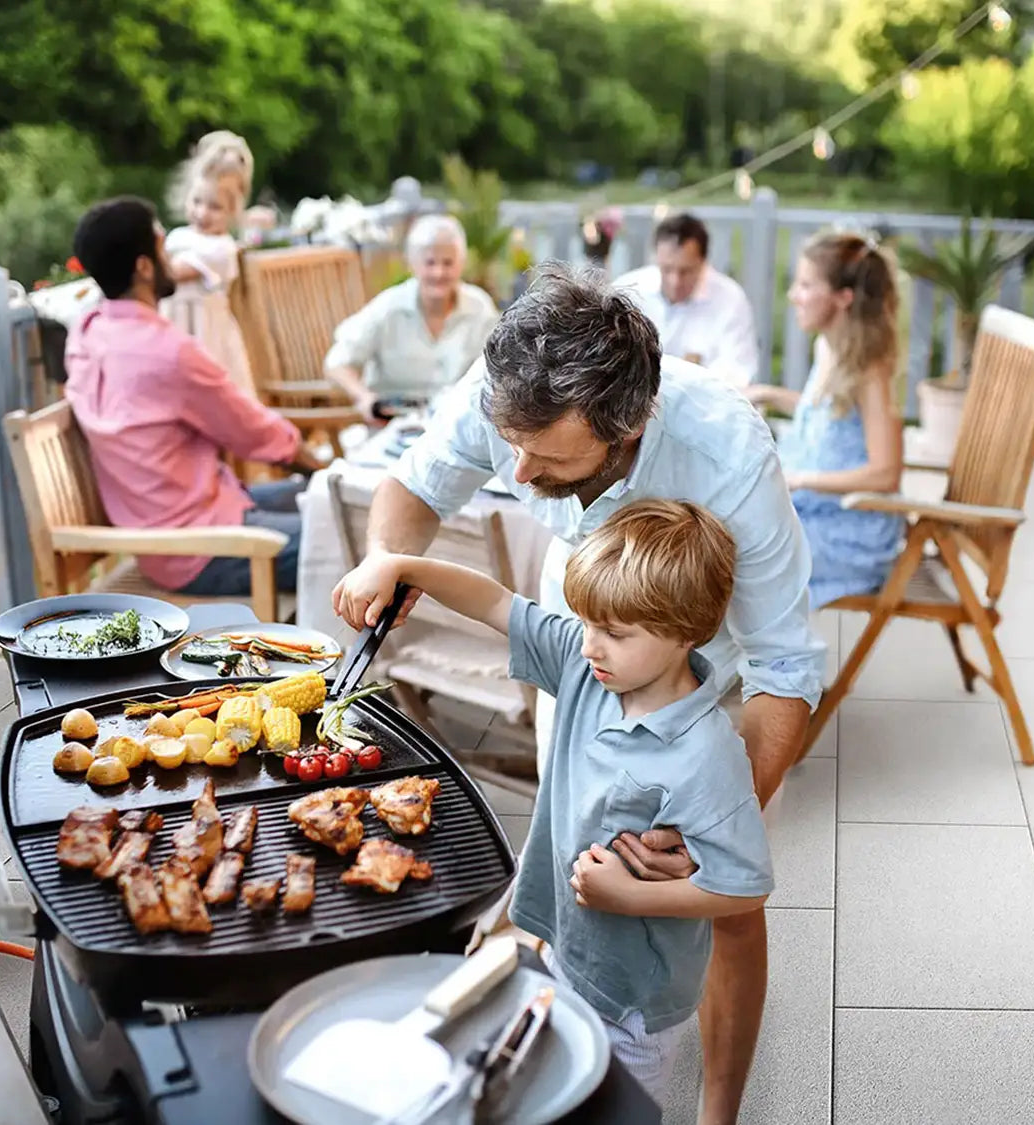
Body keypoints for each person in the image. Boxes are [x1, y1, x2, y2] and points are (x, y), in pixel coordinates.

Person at [333, 264, 825, 1125]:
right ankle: (564, 1024)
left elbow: (787, 671)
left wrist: (709, 823)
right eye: (507, 443)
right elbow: (411, 489)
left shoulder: (727, 454)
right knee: (572, 851)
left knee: (726, 914)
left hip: (703, 673)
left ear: (625, 427)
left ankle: (719, 1109)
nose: (516, 474)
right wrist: (387, 557)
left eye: (546, 455)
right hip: (586, 637)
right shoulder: (509, 389)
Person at [334, 500, 773, 1104]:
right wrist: (403, 565)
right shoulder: (586, 665)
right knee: (552, 1090)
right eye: (587, 623)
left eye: (615, 634)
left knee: (614, 1107)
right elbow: (494, 602)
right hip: (563, 944)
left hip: (635, 1000)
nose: (591, 645)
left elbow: (745, 887)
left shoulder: (706, 756)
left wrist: (632, 895)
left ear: (688, 633)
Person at [65, 197, 322, 597]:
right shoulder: (167, 351)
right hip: (202, 548)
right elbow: (254, 432)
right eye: (163, 247)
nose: (171, 258)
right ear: (144, 266)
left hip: (191, 521)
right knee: (353, 533)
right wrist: (321, 468)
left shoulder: (87, 332)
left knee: (325, 501)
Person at [745, 232, 905, 606]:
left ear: (843, 298)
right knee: (722, 526)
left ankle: (768, 658)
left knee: (733, 553)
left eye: (805, 285)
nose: (793, 295)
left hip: (851, 533)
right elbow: (830, 413)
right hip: (819, 511)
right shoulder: (830, 347)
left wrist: (799, 480)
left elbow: (886, 474)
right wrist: (769, 393)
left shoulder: (870, 371)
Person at [322, 213, 498, 424]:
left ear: (461, 263)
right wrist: (365, 398)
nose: (438, 272)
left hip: (458, 425)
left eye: (448, 263)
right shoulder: (388, 306)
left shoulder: (480, 307)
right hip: (394, 424)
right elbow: (336, 363)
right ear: (412, 264)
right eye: (430, 262)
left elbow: (500, 368)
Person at [616, 212, 762, 386]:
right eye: (667, 269)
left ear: (703, 262)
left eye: (685, 271)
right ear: (656, 258)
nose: (675, 281)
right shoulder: (628, 290)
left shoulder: (729, 300)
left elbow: (738, 373)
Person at [162, 132, 257, 399]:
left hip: (206, 335)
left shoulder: (221, 249)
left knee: (214, 396)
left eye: (214, 207)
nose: (202, 213)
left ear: (232, 211)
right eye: (197, 202)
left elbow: (173, 273)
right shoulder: (178, 237)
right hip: (174, 328)